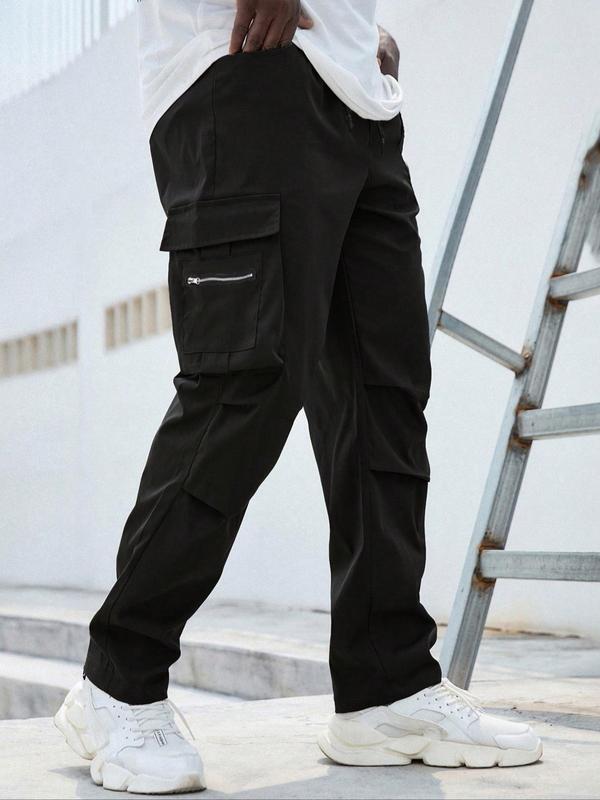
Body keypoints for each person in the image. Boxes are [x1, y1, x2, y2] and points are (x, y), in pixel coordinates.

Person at [53, 0, 542, 793]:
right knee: (245, 382)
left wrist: (356, 30)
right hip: (241, 64)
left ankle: (386, 689)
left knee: (383, 397)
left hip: (360, 93)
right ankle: (119, 681)